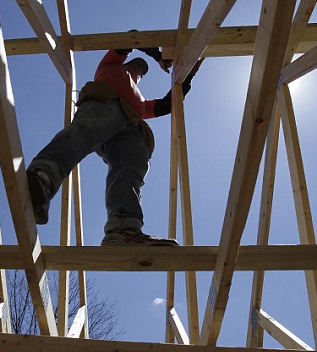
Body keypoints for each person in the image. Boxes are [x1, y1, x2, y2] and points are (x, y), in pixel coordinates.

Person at [26, 41, 203, 246]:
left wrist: (188, 76)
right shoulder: (108, 68)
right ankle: (43, 177)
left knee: (131, 166)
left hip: (130, 122)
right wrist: (158, 55)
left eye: (141, 71)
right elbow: (130, 39)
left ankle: (124, 229)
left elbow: (166, 105)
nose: (138, 71)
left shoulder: (140, 101)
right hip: (105, 100)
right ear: (126, 64)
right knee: (84, 132)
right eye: (135, 66)